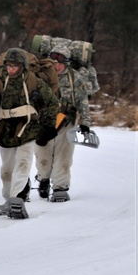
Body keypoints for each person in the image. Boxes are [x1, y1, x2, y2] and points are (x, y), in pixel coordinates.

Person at [0, 47, 58, 219]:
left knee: (23, 163)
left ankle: (17, 199)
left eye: (15, 66)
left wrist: (49, 125)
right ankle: (9, 198)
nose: (11, 69)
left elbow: (53, 102)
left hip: (28, 127)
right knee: (7, 170)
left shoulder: (34, 82)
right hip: (5, 129)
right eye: (9, 65)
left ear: (22, 66)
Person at [33, 42, 92, 202]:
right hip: (44, 121)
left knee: (64, 156)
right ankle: (43, 179)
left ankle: (60, 187)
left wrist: (85, 122)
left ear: (66, 63)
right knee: (42, 155)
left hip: (66, 122)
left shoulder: (75, 78)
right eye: (54, 62)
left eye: (60, 63)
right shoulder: (42, 76)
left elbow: (82, 101)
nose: (57, 66)